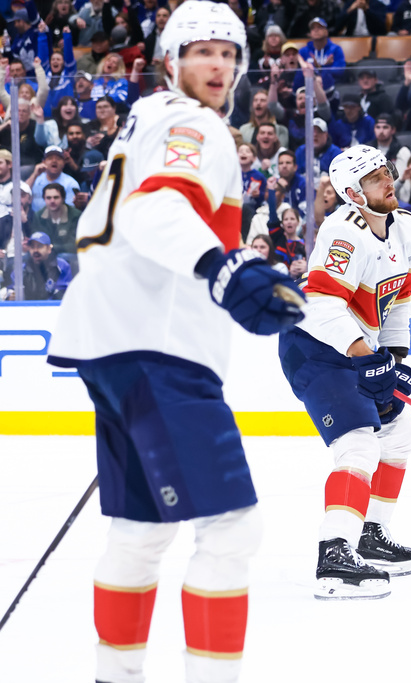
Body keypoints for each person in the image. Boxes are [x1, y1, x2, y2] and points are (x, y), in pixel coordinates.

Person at [45, 5, 305, 682]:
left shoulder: (148, 121)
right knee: (231, 527)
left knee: (143, 528)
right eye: (201, 52)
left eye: (228, 53)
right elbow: (156, 207)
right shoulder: (194, 123)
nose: (217, 65)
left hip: (110, 339)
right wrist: (226, 268)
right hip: (156, 344)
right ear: (171, 60)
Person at [277, 145, 411, 600]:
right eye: (374, 178)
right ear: (352, 194)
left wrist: (395, 360)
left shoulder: (408, 229)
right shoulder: (343, 233)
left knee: (401, 433)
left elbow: (398, 300)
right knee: (359, 443)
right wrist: (365, 355)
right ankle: (334, 554)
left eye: (386, 171)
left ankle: (369, 538)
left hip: (356, 348)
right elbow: (321, 303)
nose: (387, 181)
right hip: (314, 347)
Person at [5, 231, 73, 300]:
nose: (35, 250)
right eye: (32, 247)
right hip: (28, 308)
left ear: (49, 249)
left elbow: (64, 293)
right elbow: (11, 289)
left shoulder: (61, 266)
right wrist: (10, 296)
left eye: (40, 246)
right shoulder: (21, 269)